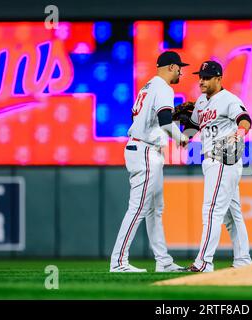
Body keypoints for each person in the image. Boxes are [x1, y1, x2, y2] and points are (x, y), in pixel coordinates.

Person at [110, 51, 190, 272]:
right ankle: (118, 262)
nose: (180, 72)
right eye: (179, 68)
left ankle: (163, 261)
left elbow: (144, 118)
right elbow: (165, 121)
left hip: (145, 148)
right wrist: (181, 138)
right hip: (146, 151)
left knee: (155, 209)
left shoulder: (147, 86)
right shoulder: (163, 87)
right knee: (138, 209)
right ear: (171, 67)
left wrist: (172, 123)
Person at [184, 60, 252, 272]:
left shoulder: (229, 99)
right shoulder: (201, 103)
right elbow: (189, 132)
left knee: (211, 211)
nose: (201, 81)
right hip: (211, 161)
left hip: (223, 157)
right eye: (200, 77)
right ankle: (243, 262)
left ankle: (204, 262)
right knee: (233, 215)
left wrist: (239, 133)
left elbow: (245, 119)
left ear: (218, 78)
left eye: (206, 77)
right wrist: (173, 124)